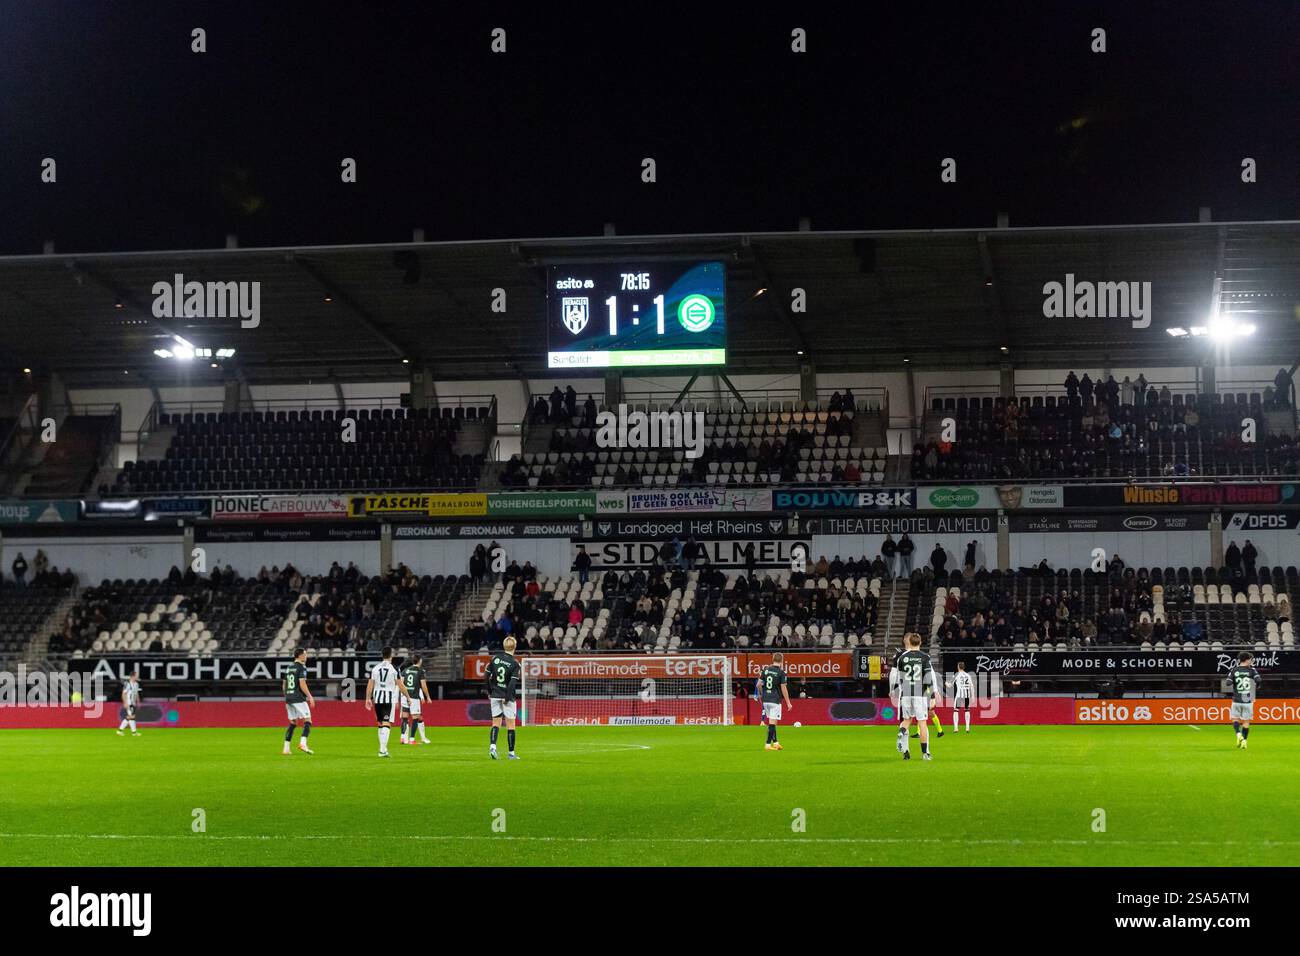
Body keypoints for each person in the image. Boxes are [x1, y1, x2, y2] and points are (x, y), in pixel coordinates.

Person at [891, 632, 938, 761]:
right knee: (922, 723)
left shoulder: (901, 657)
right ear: (920, 642)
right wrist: (932, 695)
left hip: (905, 693)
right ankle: (925, 753)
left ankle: (901, 733)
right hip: (920, 694)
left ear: (909, 642)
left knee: (906, 720)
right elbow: (928, 678)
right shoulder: (925, 657)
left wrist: (895, 690)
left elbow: (898, 677)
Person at [364, 647, 411, 758]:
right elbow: (400, 685)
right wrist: (408, 696)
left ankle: (382, 749)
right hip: (388, 698)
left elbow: (370, 684)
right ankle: (382, 750)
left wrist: (367, 698)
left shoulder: (375, 668)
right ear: (391, 655)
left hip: (377, 698)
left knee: (380, 724)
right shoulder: (394, 669)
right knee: (386, 723)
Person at [486, 636, 523, 760]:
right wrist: (507, 697)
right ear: (514, 647)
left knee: (495, 723)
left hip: (495, 695)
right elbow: (512, 683)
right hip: (507, 697)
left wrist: (490, 691)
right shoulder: (515, 663)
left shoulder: (495, 658)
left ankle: (492, 747)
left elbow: (486, 675)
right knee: (510, 725)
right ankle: (511, 754)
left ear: (504, 646)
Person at [281, 648, 315, 755]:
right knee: (308, 720)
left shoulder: (289, 667)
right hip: (298, 697)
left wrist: (286, 697)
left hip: (289, 697)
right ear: (299, 656)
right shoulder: (302, 667)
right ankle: (303, 743)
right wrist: (310, 696)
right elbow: (302, 684)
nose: (306, 656)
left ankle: (286, 749)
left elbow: (284, 684)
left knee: (293, 723)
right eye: (305, 654)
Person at [758, 653, 793, 751]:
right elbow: (783, 688)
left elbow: (758, 684)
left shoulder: (766, 670)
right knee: (772, 723)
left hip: (766, 700)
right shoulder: (781, 673)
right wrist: (788, 702)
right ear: (782, 661)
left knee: (774, 722)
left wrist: (762, 694)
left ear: (772, 659)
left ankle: (776, 742)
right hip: (775, 700)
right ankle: (768, 744)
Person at [1228, 651, 1261, 750]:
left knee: (1235, 719)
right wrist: (1256, 687)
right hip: (1248, 700)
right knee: (1246, 722)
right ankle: (1245, 742)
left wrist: (1236, 681)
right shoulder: (1252, 670)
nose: (1252, 661)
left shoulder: (1234, 670)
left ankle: (1238, 735)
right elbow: (1259, 680)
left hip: (1236, 700)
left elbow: (1228, 683)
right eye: (1251, 659)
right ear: (1247, 660)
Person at [400, 655, 431, 745]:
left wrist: (402, 695)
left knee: (405, 717)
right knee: (416, 717)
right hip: (414, 697)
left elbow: (401, 684)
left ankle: (402, 738)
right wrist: (427, 696)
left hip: (405, 696)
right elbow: (423, 685)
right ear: (420, 661)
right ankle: (412, 739)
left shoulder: (405, 670)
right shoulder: (420, 671)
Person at [116, 670, 142, 737]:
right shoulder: (127, 684)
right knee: (132, 716)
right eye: (136, 675)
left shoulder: (136, 684)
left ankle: (119, 731)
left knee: (129, 717)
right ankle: (134, 733)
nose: (137, 676)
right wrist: (125, 703)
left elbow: (136, 693)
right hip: (129, 702)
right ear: (133, 676)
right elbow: (123, 694)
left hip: (133, 702)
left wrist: (138, 701)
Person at [951, 660, 975, 733]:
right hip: (967, 696)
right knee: (967, 710)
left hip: (959, 696)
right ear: (963, 667)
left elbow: (950, 685)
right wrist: (973, 696)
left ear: (958, 667)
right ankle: (967, 727)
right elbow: (972, 686)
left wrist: (946, 683)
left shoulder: (956, 674)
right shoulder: (968, 675)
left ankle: (956, 728)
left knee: (956, 710)